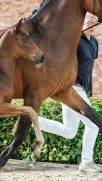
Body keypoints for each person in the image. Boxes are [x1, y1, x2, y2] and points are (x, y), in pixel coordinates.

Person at [33, 2, 101, 172]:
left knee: (69, 131)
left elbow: (91, 67)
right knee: (93, 125)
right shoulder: (74, 40)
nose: (91, 24)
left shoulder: (94, 43)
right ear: (83, 22)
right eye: (88, 20)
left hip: (81, 90)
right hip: (71, 87)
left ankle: (32, 120)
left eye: (94, 21)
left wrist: (89, 91)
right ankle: (86, 162)